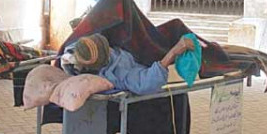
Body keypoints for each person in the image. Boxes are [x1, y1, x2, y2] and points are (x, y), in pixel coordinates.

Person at [67, 33, 196, 95]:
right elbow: (146, 83)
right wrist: (173, 52)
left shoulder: (78, 47)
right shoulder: (117, 72)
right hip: (147, 54)